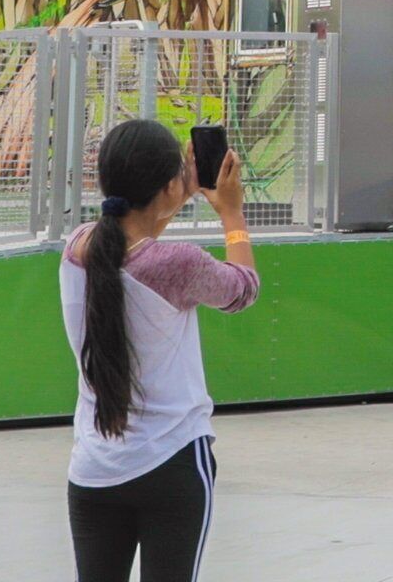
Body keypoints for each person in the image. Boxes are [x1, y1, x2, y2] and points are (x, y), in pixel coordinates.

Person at [67, 119, 261, 582]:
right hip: (172, 464)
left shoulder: (78, 247)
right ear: (167, 185)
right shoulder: (179, 264)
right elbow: (243, 289)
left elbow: (135, 246)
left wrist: (179, 191)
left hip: (94, 469)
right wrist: (232, 215)